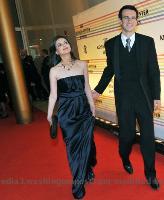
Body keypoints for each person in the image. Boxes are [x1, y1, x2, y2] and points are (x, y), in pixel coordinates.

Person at [92, 5, 161, 190]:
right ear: (120, 20)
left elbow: (154, 71)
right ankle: (124, 156)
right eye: (126, 17)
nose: (129, 21)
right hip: (123, 98)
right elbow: (109, 70)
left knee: (148, 137)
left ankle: (150, 173)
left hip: (144, 97)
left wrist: (156, 97)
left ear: (137, 20)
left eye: (132, 17)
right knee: (127, 136)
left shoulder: (147, 42)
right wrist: (97, 90)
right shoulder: (111, 44)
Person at [47, 35, 97, 199]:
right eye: (59, 45)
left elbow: (87, 87)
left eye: (65, 43)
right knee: (73, 148)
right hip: (67, 113)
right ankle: (78, 183)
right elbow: (53, 95)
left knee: (87, 143)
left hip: (83, 110)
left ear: (70, 46)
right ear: (57, 51)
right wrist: (49, 115)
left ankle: (87, 168)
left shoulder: (82, 64)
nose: (63, 46)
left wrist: (92, 106)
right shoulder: (54, 70)